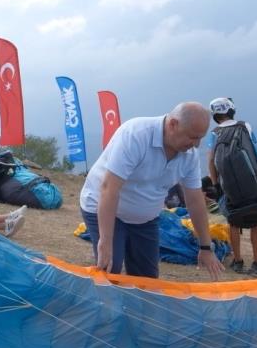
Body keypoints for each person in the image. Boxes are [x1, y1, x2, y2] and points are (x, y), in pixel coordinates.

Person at [79, 102, 224, 280]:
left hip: (145, 218)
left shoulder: (189, 156)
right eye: (192, 137)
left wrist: (205, 247)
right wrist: (105, 241)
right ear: (173, 124)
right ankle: (107, 306)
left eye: (200, 138)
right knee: (111, 267)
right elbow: (110, 188)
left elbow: (195, 200)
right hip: (105, 207)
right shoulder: (136, 135)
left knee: (147, 280)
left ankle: (137, 308)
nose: (196, 145)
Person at [206, 97, 257, 278]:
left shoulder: (214, 133)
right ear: (232, 110)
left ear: (215, 115)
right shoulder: (245, 127)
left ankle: (238, 260)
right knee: (256, 222)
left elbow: (211, 161)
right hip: (252, 183)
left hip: (229, 186)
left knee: (233, 222)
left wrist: (215, 183)